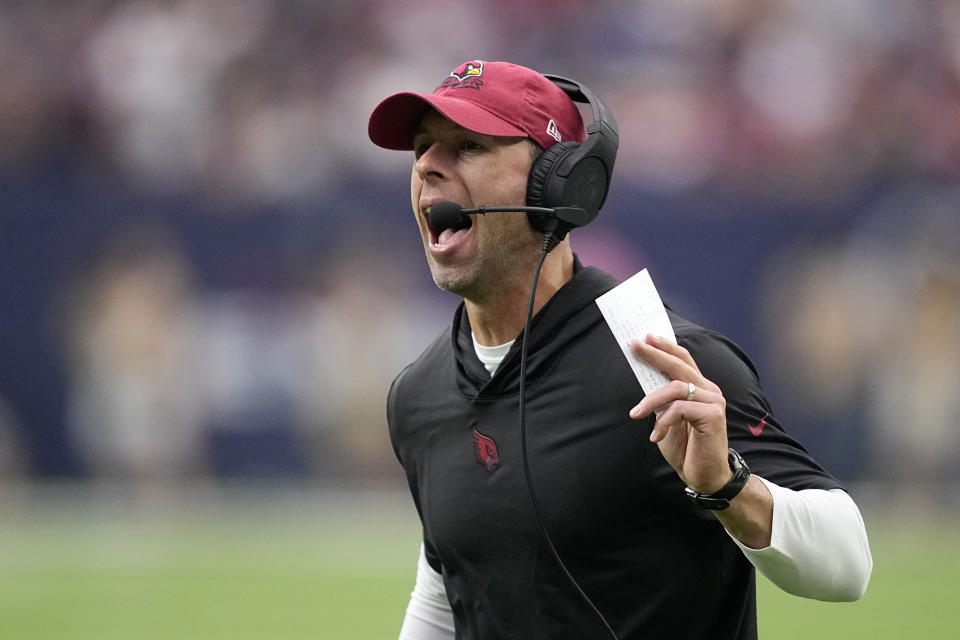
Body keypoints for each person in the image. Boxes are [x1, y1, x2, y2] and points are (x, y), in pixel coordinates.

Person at [367, 59, 872, 640]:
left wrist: (728, 488)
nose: (429, 164)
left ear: (556, 183)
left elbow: (848, 563)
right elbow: (445, 583)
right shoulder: (418, 393)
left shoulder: (662, 363)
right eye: (424, 147)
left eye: (469, 146)